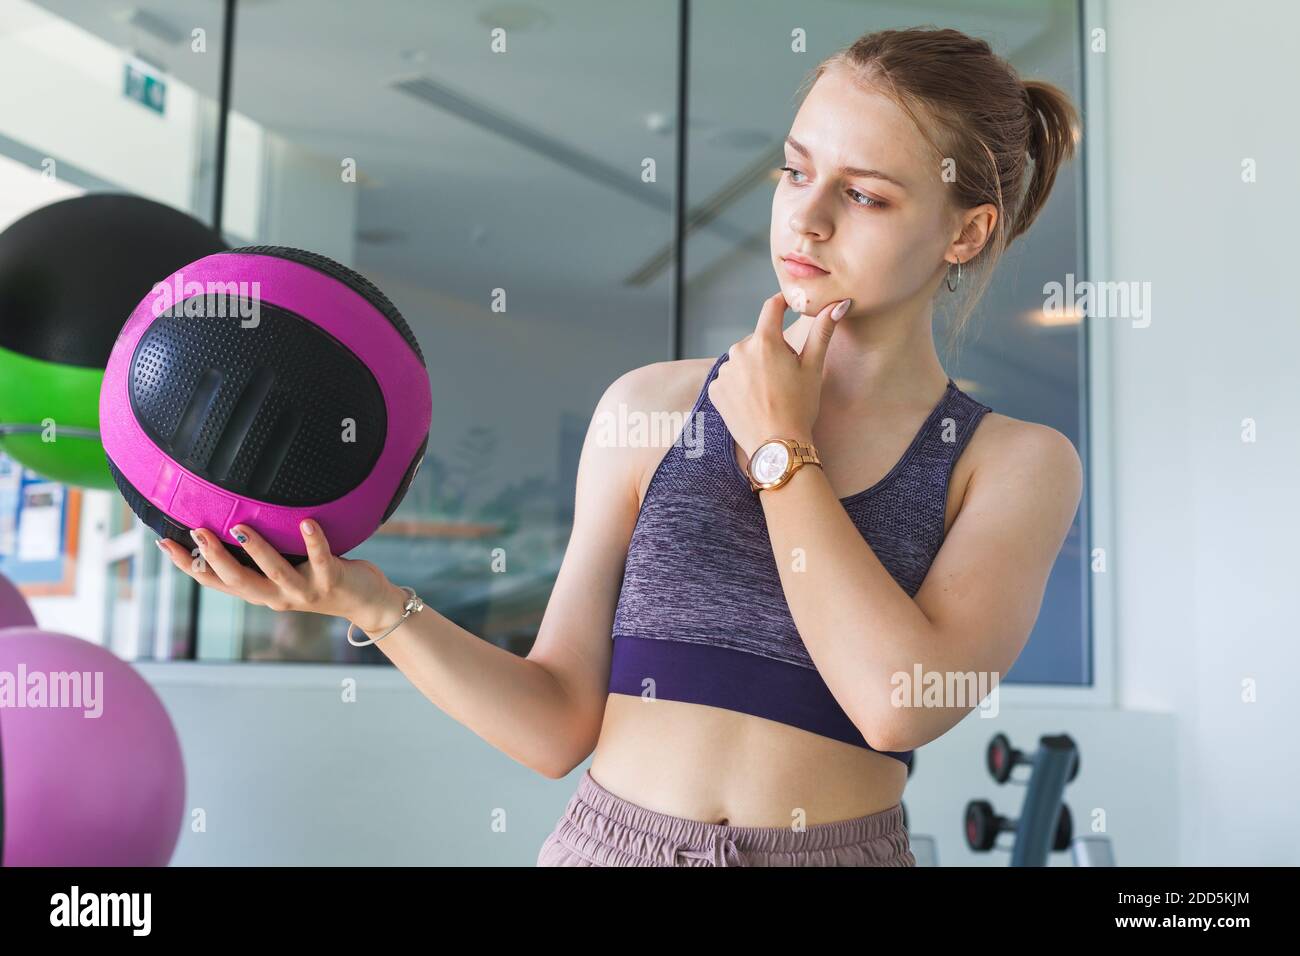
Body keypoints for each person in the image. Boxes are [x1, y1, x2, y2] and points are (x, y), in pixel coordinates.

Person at [158, 25, 1084, 867]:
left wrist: (778, 446)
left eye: (865, 195)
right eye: (795, 172)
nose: (807, 220)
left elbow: (900, 703)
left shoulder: (1009, 464)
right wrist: (369, 600)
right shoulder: (651, 407)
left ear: (966, 231)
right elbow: (558, 722)